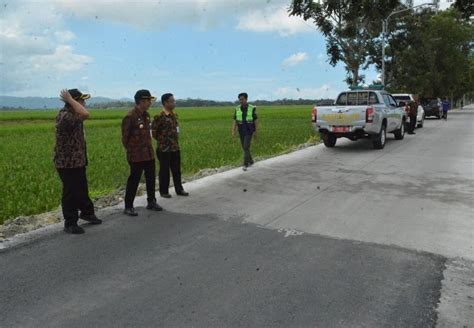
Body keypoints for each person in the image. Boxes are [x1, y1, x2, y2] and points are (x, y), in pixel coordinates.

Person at [54, 89, 102, 234]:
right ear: (73, 102)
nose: (84, 103)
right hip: (67, 163)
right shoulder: (65, 116)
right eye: (82, 100)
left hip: (77, 160)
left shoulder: (73, 115)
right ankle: (70, 223)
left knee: (81, 188)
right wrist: (69, 99)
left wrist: (71, 100)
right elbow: (86, 114)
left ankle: (87, 213)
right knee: (70, 192)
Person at [122, 90, 163, 216]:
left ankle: (151, 201)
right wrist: (133, 151)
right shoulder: (130, 116)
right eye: (147, 101)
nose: (149, 103)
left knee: (151, 178)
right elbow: (125, 138)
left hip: (148, 154)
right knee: (134, 180)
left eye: (149, 101)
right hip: (136, 156)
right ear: (140, 101)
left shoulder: (146, 115)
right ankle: (128, 206)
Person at [151, 93, 189, 198]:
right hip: (164, 148)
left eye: (174, 101)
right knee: (164, 171)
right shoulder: (159, 116)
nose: (174, 103)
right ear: (165, 103)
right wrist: (163, 141)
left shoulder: (174, 115)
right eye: (172, 101)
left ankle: (179, 189)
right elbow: (153, 132)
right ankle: (164, 191)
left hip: (175, 147)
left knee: (176, 170)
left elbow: (176, 130)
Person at [232, 92, 258, 170]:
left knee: (246, 146)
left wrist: (256, 132)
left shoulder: (251, 108)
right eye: (240, 99)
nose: (241, 101)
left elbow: (256, 121)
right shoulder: (237, 109)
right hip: (241, 131)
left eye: (242, 99)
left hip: (249, 131)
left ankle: (245, 164)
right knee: (244, 148)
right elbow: (235, 120)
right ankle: (251, 160)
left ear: (246, 99)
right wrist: (233, 130)